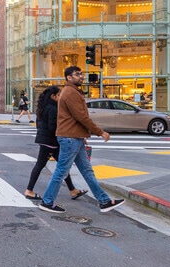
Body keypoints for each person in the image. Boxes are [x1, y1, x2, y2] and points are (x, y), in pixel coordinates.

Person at [39, 66, 125, 214]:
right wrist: (100, 132)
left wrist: (82, 136)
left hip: (75, 138)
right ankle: (47, 201)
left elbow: (74, 119)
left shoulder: (72, 92)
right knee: (61, 172)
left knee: (87, 171)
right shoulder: (70, 93)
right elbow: (81, 117)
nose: (81, 76)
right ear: (69, 77)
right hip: (70, 139)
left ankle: (104, 200)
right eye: (77, 74)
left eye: (81, 74)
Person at [24, 86, 87, 201]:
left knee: (61, 166)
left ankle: (72, 190)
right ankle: (29, 190)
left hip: (46, 141)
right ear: (53, 96)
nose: (60, 97)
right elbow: (53, 127)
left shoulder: (43, 108)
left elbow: (40, 125)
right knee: (53, 166)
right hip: (51, 142)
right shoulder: (53, 108)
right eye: (59, 95)